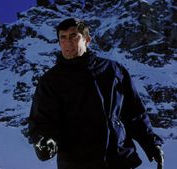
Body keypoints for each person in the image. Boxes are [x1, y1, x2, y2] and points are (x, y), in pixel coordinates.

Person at [28, 18, 164, 169]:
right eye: (63, 37)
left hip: (120, 160)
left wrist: (152, 144)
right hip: (77, 163)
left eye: (74, 36)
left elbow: (135, 113)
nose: (68, 42)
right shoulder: (50, 81)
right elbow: (41, 120)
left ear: (87, 40)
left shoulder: (113, 70)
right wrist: (44, 139)